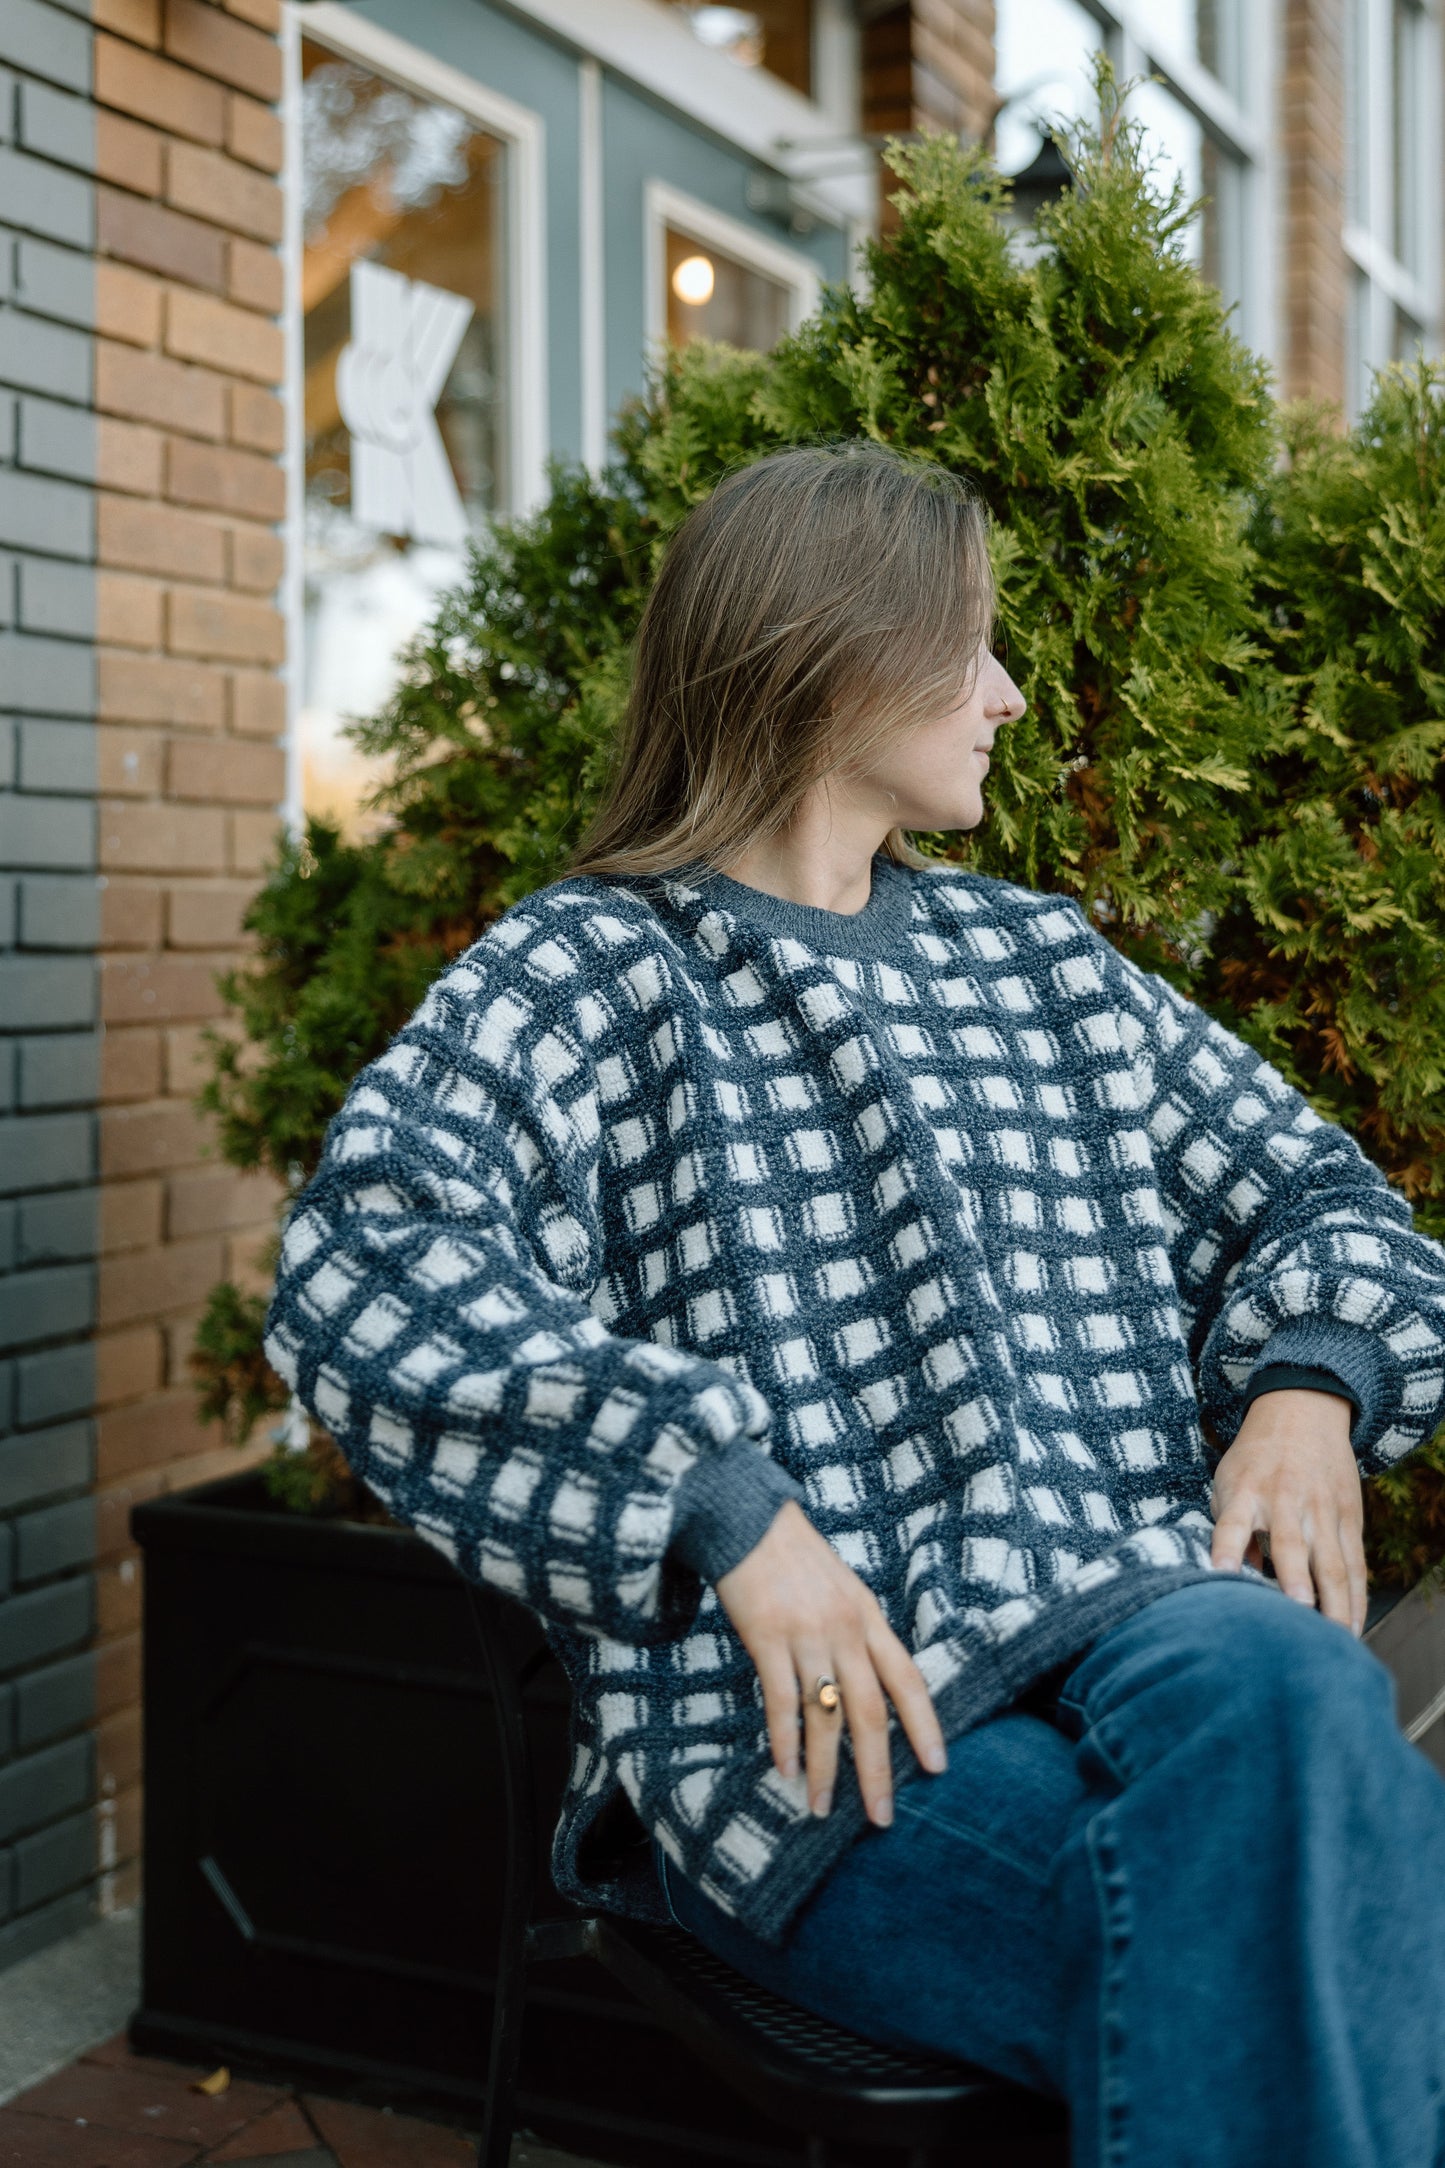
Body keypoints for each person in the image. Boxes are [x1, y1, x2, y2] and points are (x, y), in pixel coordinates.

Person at [265, 444, 1445, 2167]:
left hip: (1132, 1609)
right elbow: (360, 1262)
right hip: (807, 1737)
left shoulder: (1042, 968)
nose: (1011, 695)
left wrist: (1307, 1392)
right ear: (835, 656)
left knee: (1296, 1708)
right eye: (970, 645)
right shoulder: (590, 970)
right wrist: (724, 1507)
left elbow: (1324, 1195)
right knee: (1328, 1900)